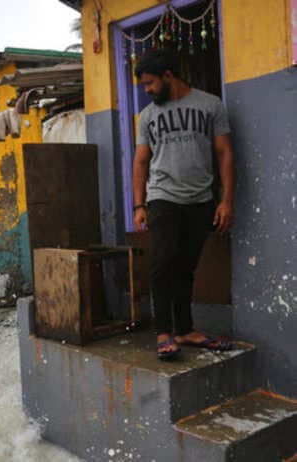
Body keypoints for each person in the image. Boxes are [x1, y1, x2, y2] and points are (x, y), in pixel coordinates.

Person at [132, 49, 235, 360]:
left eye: (150, 83)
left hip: (201, 200)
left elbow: (225, 153)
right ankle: (164, 332)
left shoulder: (210, 105)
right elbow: (140, 162)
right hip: (163, 197)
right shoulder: (148, 116)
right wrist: (139, 205)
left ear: (168, 75)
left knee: (186, 267)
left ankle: (185, 330)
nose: (147, 91)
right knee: (164, 261)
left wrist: (226, 201)